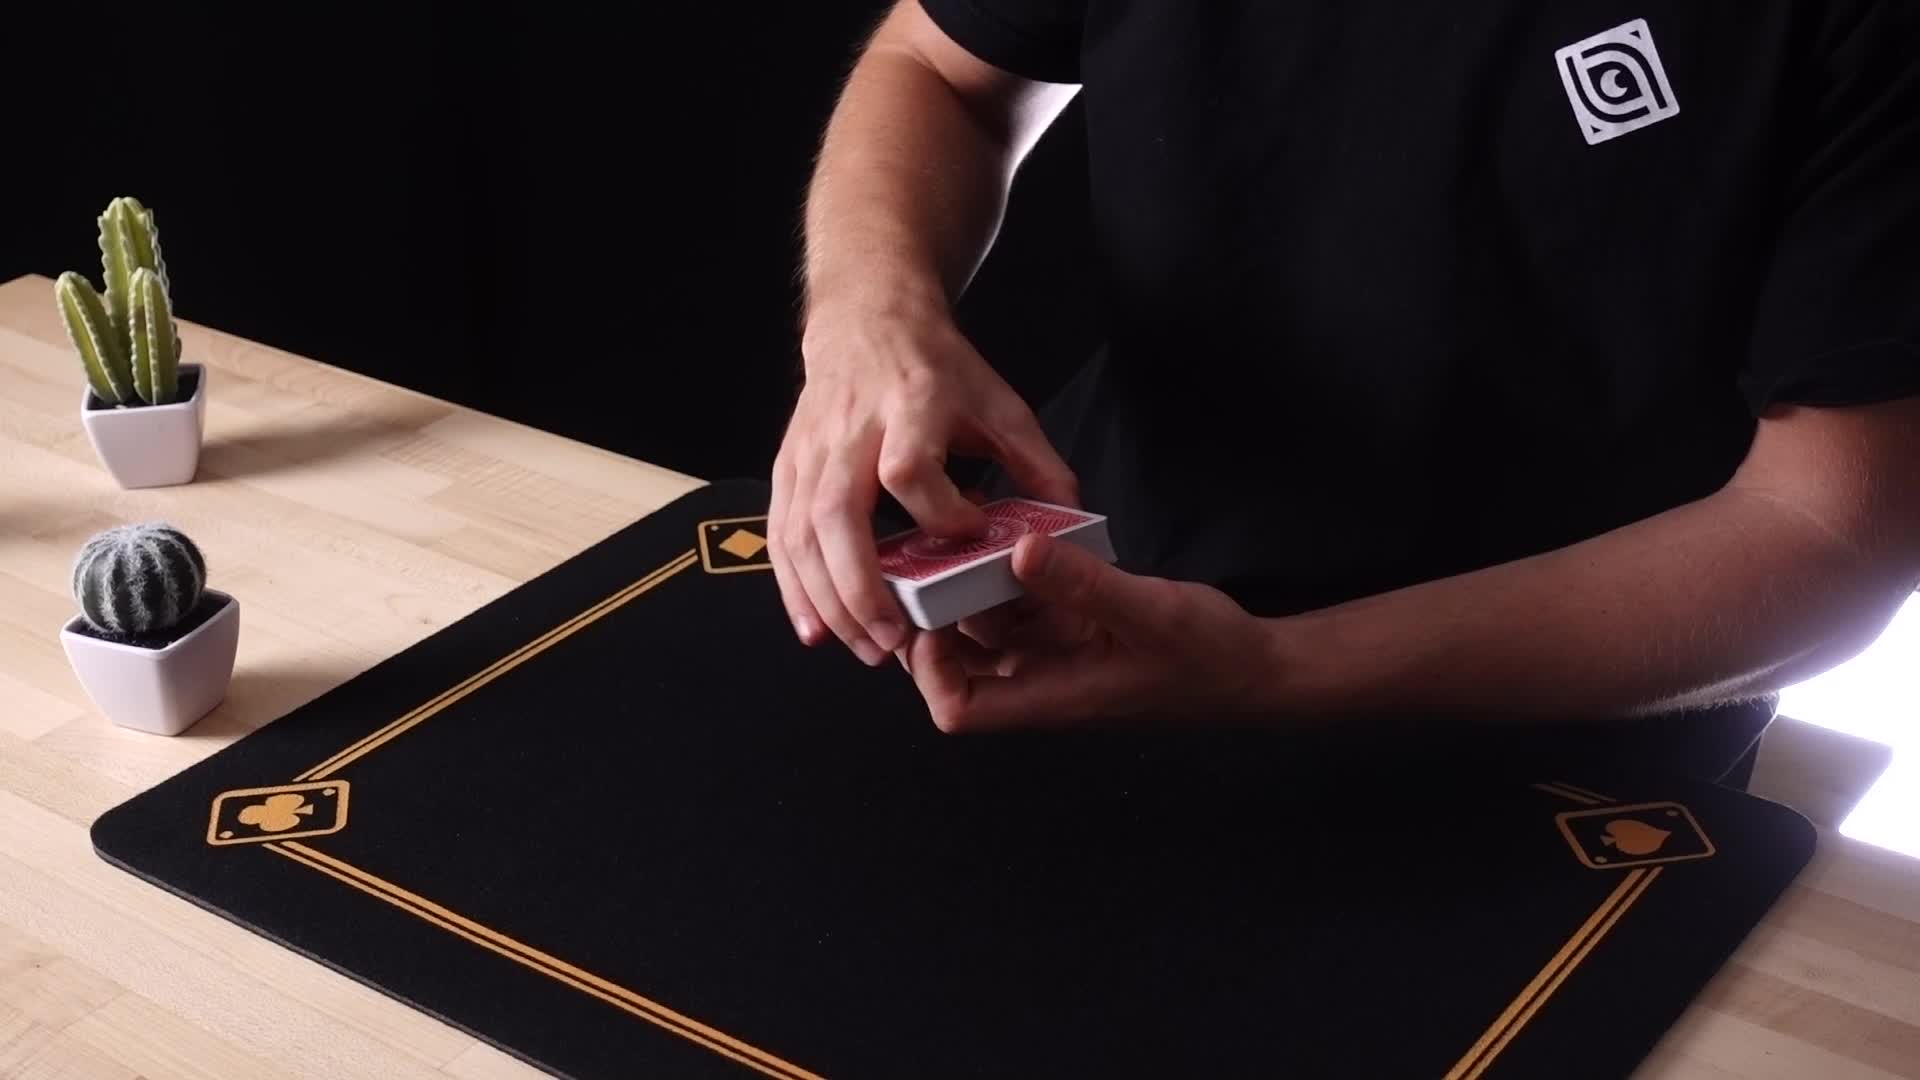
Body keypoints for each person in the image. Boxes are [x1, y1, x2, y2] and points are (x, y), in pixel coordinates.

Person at [768, 0, 1920, 784]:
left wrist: (1271, 669)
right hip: (1074, 601)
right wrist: (869, 313)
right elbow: (939, 68)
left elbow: (1829, 532)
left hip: (1544, 759)